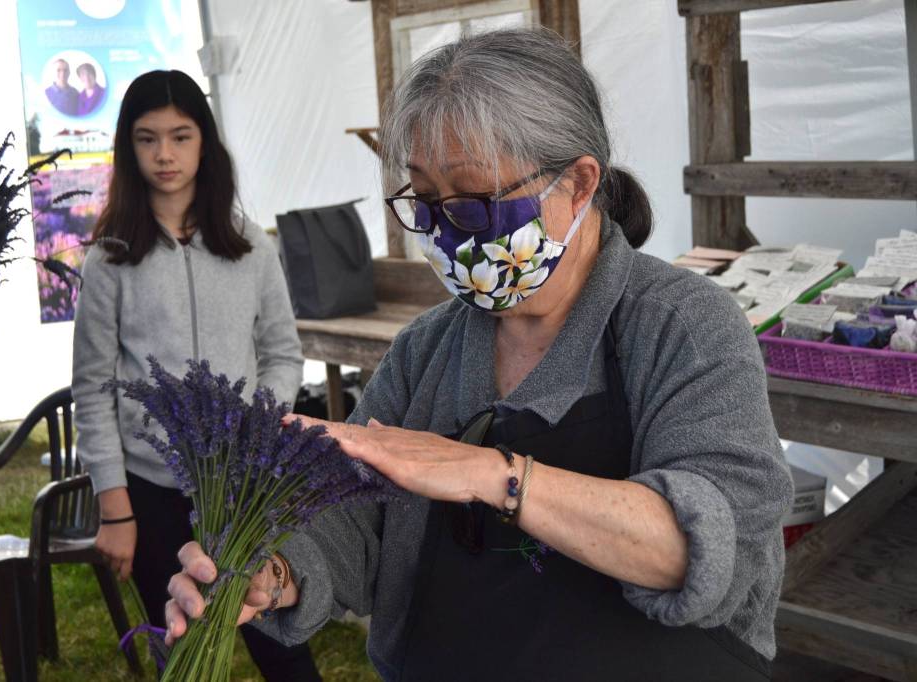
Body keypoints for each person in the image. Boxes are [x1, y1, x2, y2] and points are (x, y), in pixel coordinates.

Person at [166, 29, 794, 681]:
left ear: (578, 184)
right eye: (426, 204)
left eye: (472, 205)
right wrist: (277, 571)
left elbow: (709, 544)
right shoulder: (426, 349)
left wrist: (495, 474)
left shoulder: (682, 324)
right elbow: (355, 520)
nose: (444, 235)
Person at [71, 69, 321, 680]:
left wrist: (256, 435)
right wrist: (115, 509)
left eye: (180, 136)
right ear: (128, 149)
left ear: (205, 142)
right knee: (181, 653)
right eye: (147, 138)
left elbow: (283, 354)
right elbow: (94, 387)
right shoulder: (109, 261)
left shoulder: (251, 249)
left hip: (241, 486)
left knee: (279, 645)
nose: (164, 155)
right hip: (151, 490)